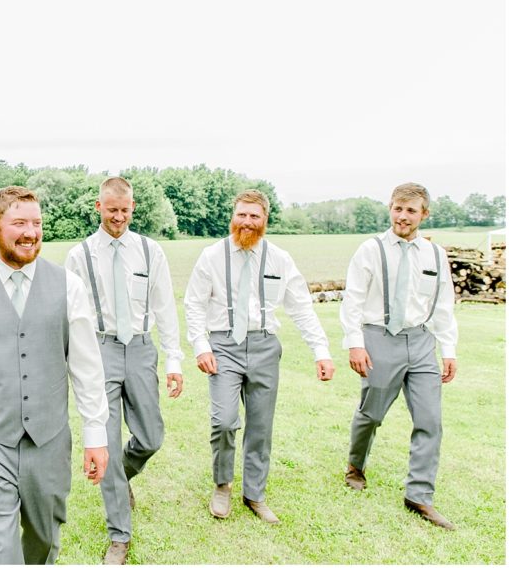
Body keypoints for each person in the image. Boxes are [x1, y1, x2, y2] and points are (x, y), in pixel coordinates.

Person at [0, 185, 110, 565]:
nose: (31, 232)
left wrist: (96, 435)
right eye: (19, 223)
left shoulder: (69, 287)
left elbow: (87, 368)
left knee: (44, 541)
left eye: (37, 223)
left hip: (49, 439)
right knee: (1, 549)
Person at [183, 189, 334, 524]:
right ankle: (222, 484)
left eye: (254, 216)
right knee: (224, 421)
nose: (247, 222)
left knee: (261, 426)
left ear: (265, 219)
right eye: (242, 215)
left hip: (265, 346)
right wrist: (201, 345)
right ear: (232, 216)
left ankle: (255, 494)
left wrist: (321, 351)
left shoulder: (280, 259)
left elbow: (300, 307)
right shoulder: (212, 256)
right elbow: (194, 303)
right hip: (223, 345)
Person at [64, 176, 183, 565]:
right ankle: (119, 533)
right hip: (100, 350)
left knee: (151, 436)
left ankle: (121, 476)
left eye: (125, 210)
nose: (118, 217)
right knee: (108, 444)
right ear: (99, 207)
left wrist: (175, 360)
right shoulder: (80, 256)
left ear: (133, 208)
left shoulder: (150, 252)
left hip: (142, 349)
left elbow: (165, 308)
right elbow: (73, 316)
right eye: (112, 210)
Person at [340, 182, 457, 529]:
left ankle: (418, 495)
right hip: (379, 339)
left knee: (430, 420)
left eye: (411, 210)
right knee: (372, 413)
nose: (403, 216)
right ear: (390, 209)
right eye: (397, 208)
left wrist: (448, 349)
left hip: (421, 343)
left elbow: (444, 305)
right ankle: (355, 465)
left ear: (424, 214)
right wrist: (355, 343)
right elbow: (354, 299)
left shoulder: (435, 255)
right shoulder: (371, 249)